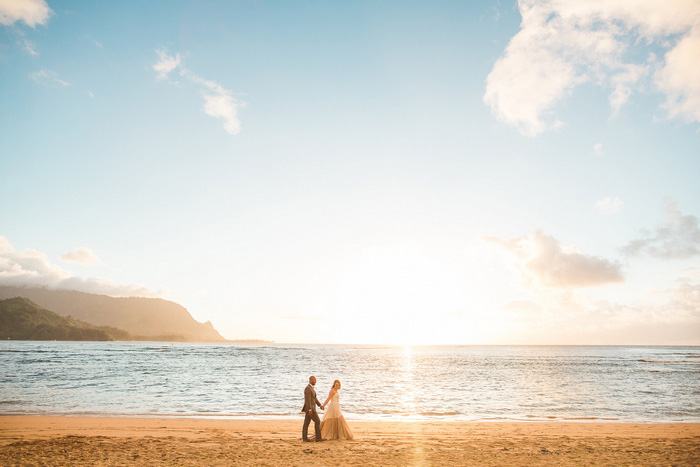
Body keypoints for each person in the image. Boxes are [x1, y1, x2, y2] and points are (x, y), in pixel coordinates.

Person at [301, 375, 324, 442]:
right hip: (310, 409)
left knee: (306, 423)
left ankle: (305, 438)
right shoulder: (308, 388)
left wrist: (320, 405)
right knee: (317, 421)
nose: (315, 381)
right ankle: (318, 438)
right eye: (314, 380)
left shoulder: (311, 388)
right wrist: (310, 410)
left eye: (315, 380)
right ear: (310, 380)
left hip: (311, 409)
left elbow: (314, 399)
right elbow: (307, 400)